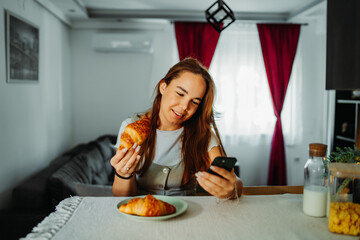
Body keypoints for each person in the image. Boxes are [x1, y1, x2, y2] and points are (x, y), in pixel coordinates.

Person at [110, 57, 243, 199]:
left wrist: (232, 188)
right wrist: (123, 174)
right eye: (180, 93)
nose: (185, 107)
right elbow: (122, 198)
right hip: (145, 213)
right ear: (163, 87)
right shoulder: (132, 128)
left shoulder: (202, 133)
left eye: (194, 101)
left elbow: (234, 182)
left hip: (189, 214)